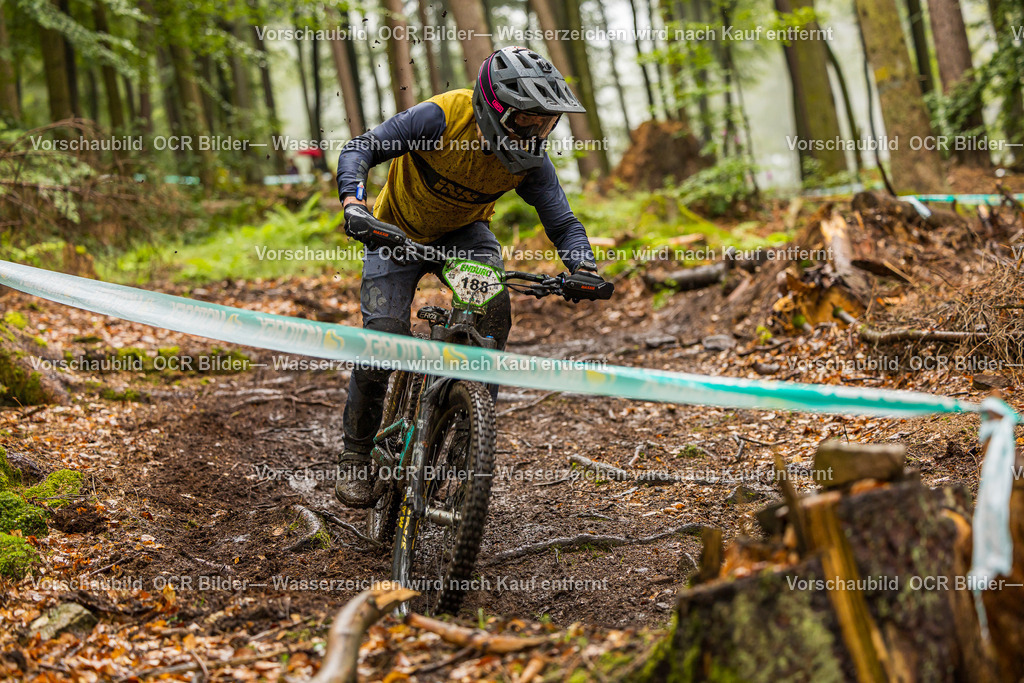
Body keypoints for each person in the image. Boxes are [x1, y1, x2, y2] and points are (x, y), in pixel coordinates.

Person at [334, 46, 610, 507]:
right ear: (494, 107)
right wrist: (354, 206)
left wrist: (582, 267)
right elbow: (360, 148)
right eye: (528, 120)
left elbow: (562, 222)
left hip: (464, 238)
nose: (537, 132)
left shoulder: (530, 161)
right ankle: (356, 456)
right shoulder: (441, 117)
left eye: (546, 123)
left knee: (495, 310)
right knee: (383, 338)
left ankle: (469, 435)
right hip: (394, 232)